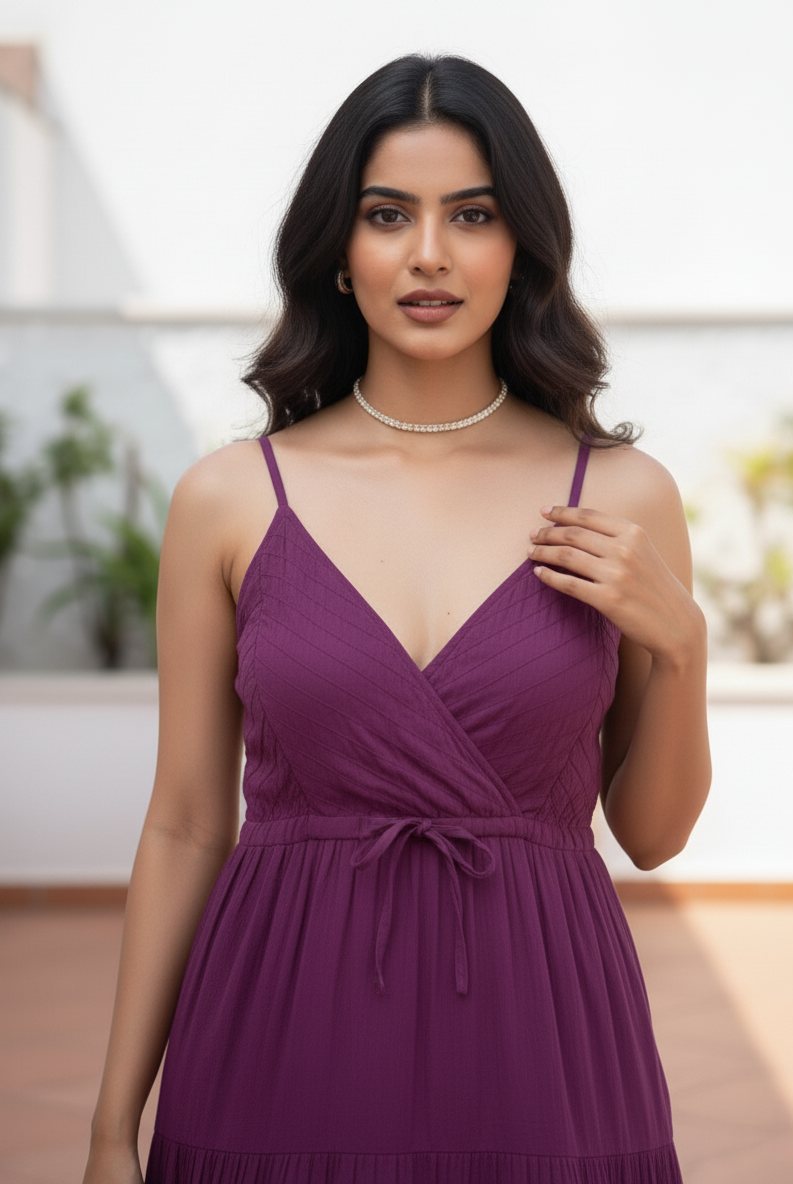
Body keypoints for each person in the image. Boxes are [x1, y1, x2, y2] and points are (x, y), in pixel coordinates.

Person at [84, 53, 711, 1184]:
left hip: (549, 1041)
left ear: (520, 245)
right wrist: (106, 1131)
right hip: (277, 1032)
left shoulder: (623, 495)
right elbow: (184, 823)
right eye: (389, 215)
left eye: (471, 214)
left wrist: (683, 646)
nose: (430, 253)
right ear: (338, 249)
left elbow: (654, 833)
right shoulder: (230, 498)